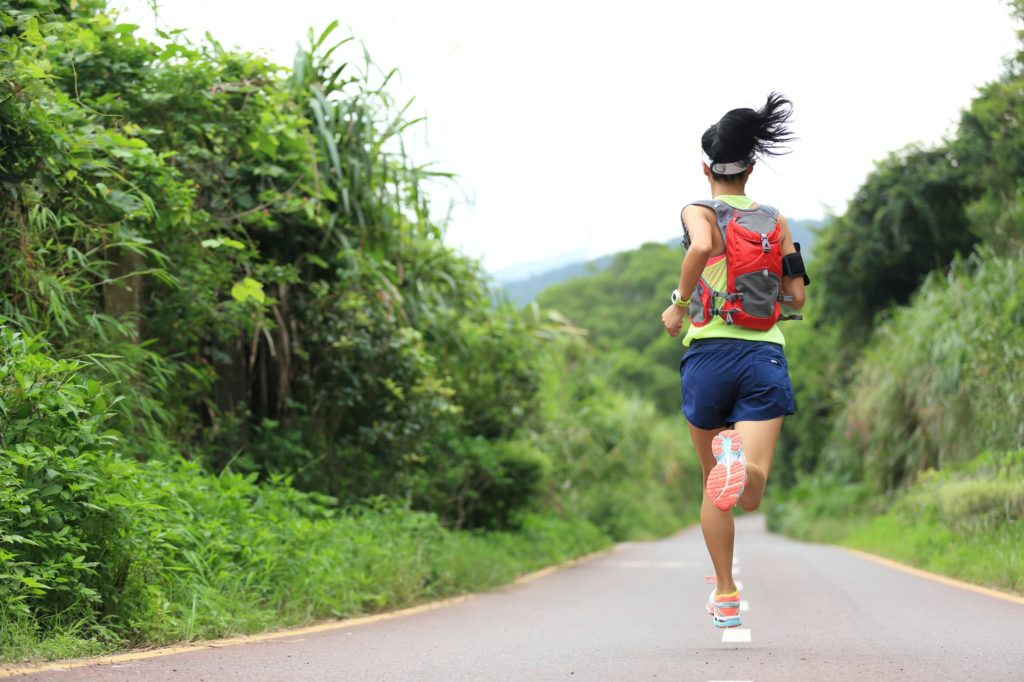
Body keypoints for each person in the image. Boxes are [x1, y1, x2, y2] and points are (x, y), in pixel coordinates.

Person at [660, 92, 807, 629]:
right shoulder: (776, 220)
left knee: (712, 490)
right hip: (764, 353)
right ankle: (742, 470)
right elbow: (798, 298)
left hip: (708, 355)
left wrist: (679, 306)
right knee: (752, 486)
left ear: (707, 168)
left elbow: (699, 249)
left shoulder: (698, 209)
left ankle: (724, 594)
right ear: (751, 166)